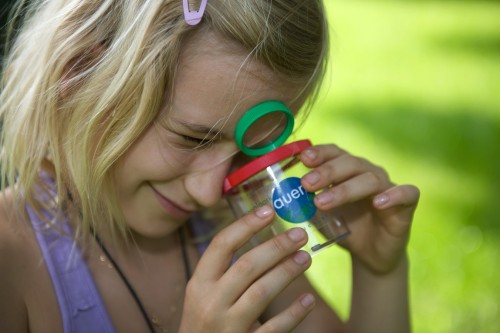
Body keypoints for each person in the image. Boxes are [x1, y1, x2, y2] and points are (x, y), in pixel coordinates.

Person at [0, 0, 420, 332]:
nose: (209, 191)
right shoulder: (12, 260)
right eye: (192, 138)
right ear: (80, 75)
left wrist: (379, 271)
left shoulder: (231, 233)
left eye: (248, 149)